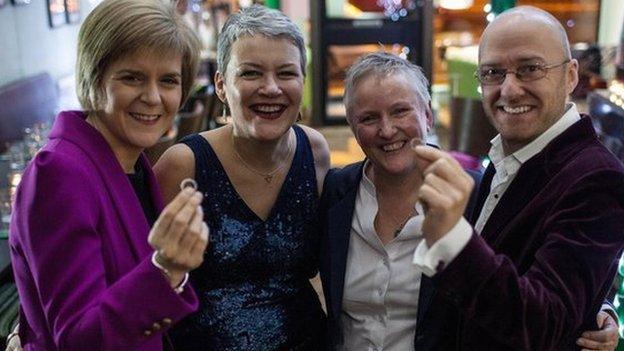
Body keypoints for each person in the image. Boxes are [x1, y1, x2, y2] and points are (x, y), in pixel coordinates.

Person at [318, 51, 621, 351]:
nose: (386, 130)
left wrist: (597, 306)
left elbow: (532, 266)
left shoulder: (478, 193)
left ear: (428, 115)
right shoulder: (335, 191)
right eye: (369, 118)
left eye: (400, 111)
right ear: (353, 127)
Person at [409, 6, 624, 350]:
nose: (509, 90)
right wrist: (594, 303)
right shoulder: (510, 154)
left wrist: (453, 239)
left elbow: (544, 324)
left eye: (530, 69)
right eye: (493, 73)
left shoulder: (598, 178)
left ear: (570, 76)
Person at [8, 0, 208, 350]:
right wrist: (166, 269)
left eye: (168, 80)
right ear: (94, 78)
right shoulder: (59, 172)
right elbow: (77, 338)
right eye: (132, 77)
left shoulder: (131, 162)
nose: (153, 97)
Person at [153, 5, 331, 350]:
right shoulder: (183, 164)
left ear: (302, 82)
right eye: (250, 73)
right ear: (221, 85)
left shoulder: (315, 150)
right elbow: (146, 281)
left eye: (286, 73)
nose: (271, 88)